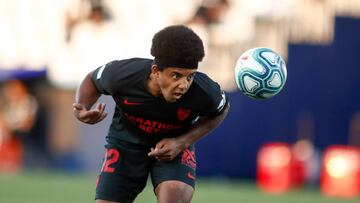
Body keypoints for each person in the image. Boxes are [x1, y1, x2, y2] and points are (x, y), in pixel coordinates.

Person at [73, 25, 229, 203]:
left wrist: (181, 142)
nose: (184, 85)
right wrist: (83, 109)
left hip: (173, 147)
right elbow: (92, 79)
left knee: (175, 192)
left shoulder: (204, 90)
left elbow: (221, 110)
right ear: (156, 71)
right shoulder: (123, 74)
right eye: (176, 76)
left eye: (190, 76)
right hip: (125, 144)